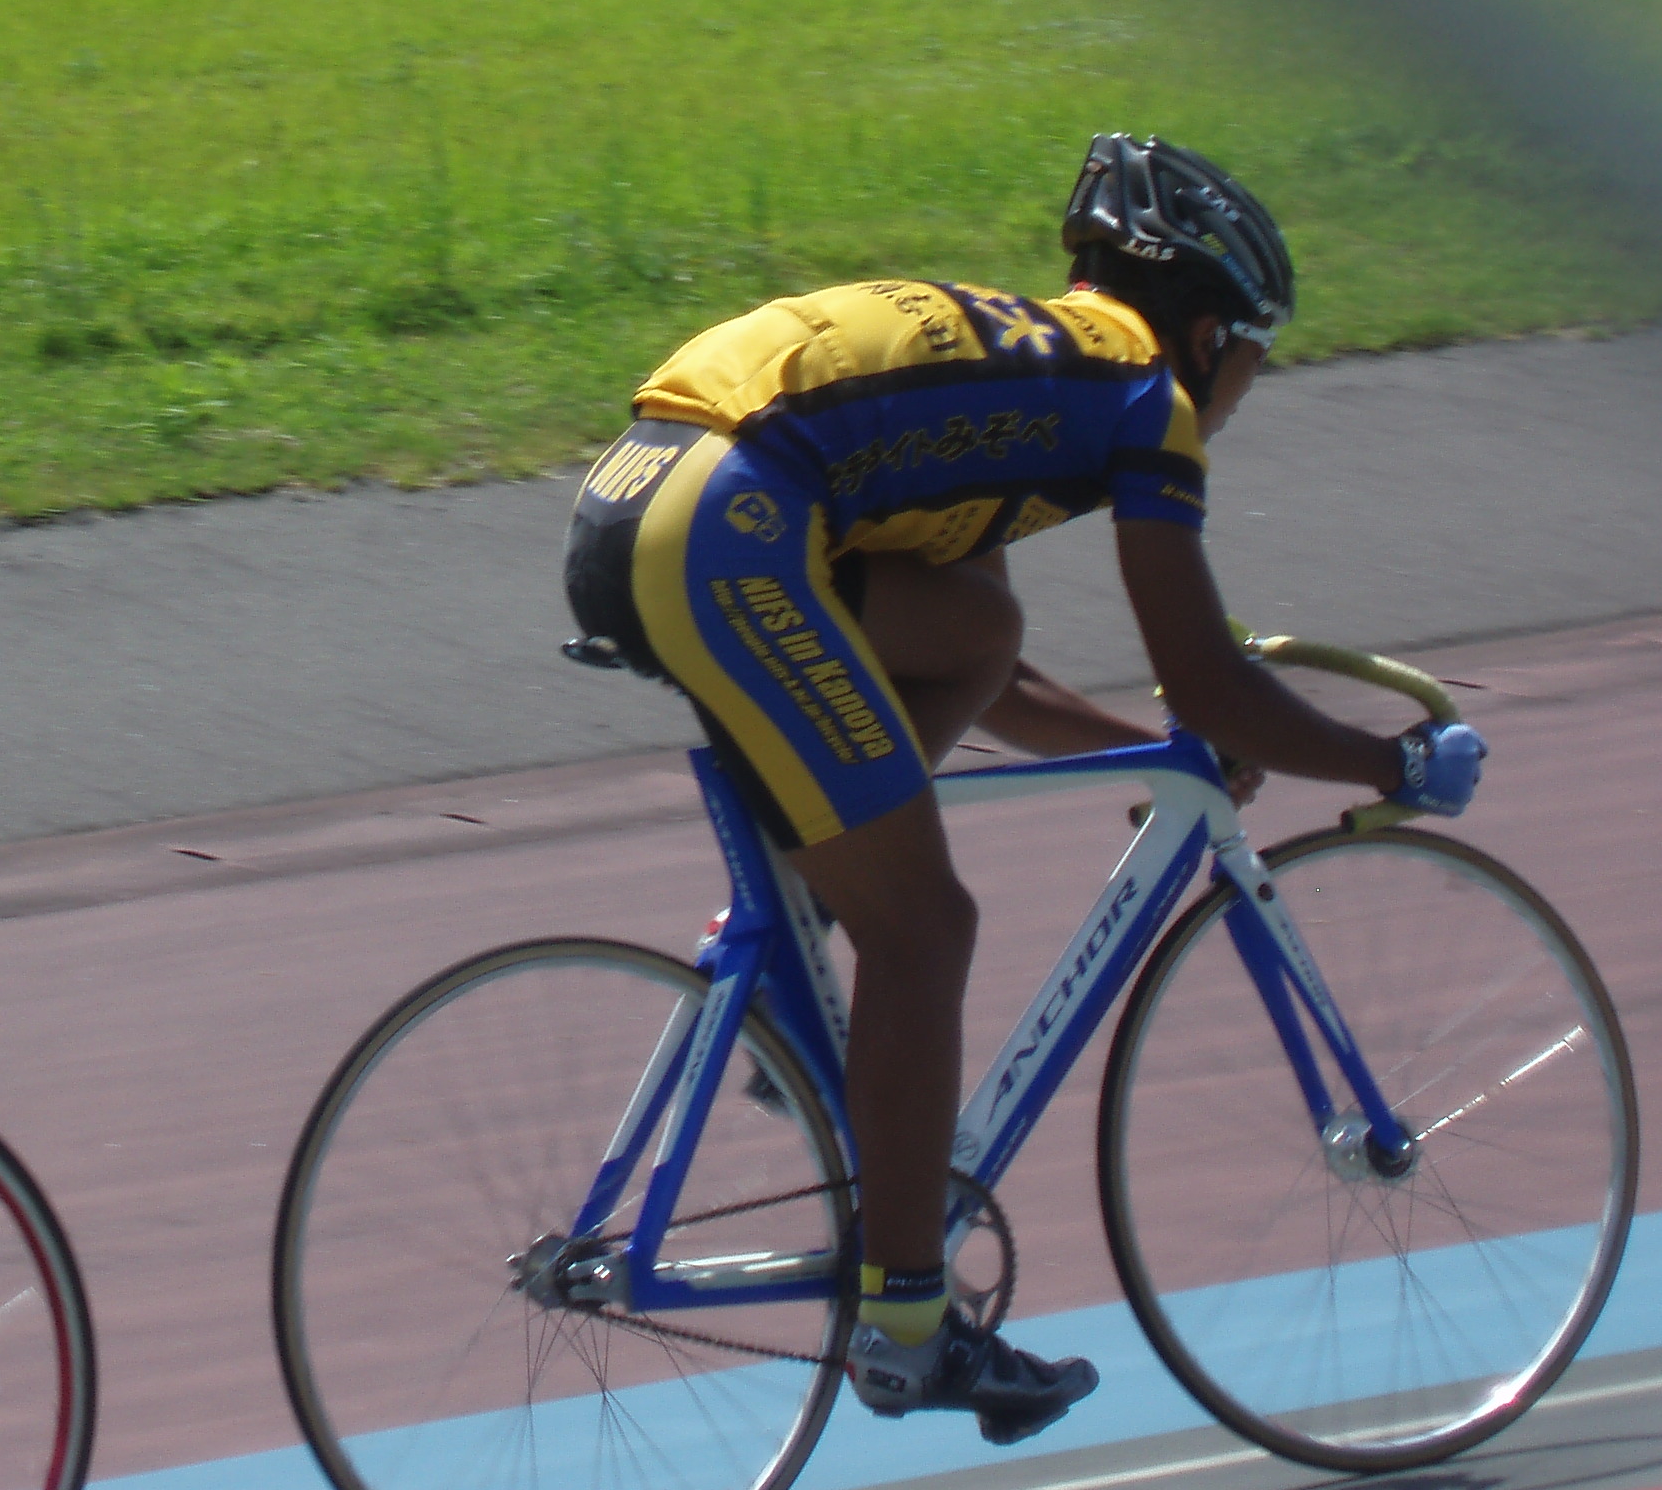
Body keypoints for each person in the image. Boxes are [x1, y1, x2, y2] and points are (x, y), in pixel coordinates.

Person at [560, 134, 1485, 1444]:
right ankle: (908, 1327)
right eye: (1252, 372)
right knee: (928, 927)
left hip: (645, 497)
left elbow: (991, 671)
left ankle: (801, 941)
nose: (1236, 401)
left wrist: (1153, 744)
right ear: (1212, 336)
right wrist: (1390, 762)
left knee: (976, 624)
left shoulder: (1030, 373)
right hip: (725, 528)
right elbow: (1210, 681)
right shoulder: (1140, 400)